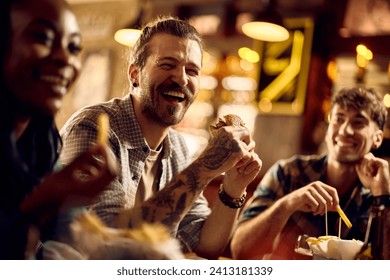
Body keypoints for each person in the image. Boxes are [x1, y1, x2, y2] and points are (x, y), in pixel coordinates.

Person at [59, 16, 262, 259]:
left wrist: (233, 188)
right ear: (135, 74)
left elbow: (206, 244)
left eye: (192, 71)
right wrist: (206, 166)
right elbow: (105, 244)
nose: (182, 78)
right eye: (167, 65)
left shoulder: (177, 147)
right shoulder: (94, 129)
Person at [0, 0, 118, 260]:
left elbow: (67, 239)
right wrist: (36, 209)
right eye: (43, 38)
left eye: (74, 47)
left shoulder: (42, 141)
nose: (65, 58)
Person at [230, 87, 390, 260]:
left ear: (377, 138)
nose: (344, 131)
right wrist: (289, 204)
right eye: (339, 119)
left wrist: (382, 195)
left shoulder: (380, 191)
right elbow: (240, 250)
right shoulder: (287, 173)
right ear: (328, 129)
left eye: (358, 122)